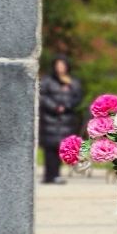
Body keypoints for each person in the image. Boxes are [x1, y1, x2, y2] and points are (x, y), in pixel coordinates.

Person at [38, 55, 82, 185]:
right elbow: (42, 95)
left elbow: (78, 97)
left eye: (62, 65)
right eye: (58, 65)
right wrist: (54, 107)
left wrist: (67, 106)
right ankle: (49, 175)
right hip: (50, 119)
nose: (60, 68)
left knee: (60, 148)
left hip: (66, 120)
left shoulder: (73, 82)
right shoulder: (47, 81)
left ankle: (56, 174)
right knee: (49, 148)